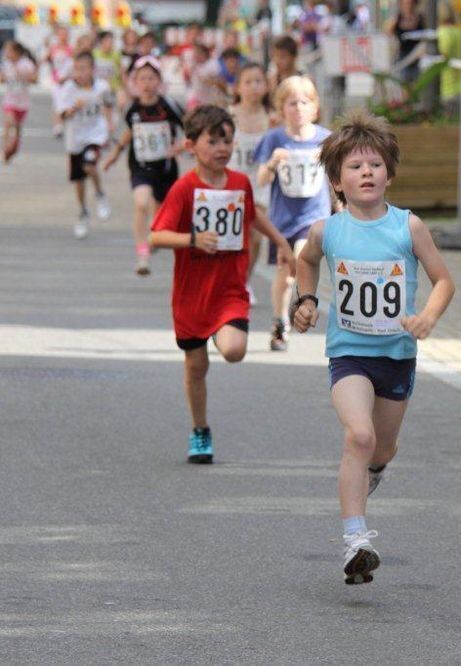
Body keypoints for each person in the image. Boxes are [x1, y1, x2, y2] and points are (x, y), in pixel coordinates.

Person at [291, 110, 454, 585]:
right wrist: (304, 300)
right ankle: (355, 540)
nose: (367, 172)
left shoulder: (409, 227)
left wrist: (428, 315)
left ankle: (374, 470)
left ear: (390, 173)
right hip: (350, 355)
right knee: (358, 436)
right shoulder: (328, 230)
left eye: (376, 164)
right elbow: (307, 262)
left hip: (397, 356)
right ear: (337, 181)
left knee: (381, 446)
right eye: (356, 166)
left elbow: (443, 280)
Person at [149, 105, 294, 464]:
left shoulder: (240, 183)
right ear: (190, 146)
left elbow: (253, 214)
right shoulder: (184, 189)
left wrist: (281, 242)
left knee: (233, 350)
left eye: (227, 140)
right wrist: (192, 240)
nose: (222, 148)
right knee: (195, 367)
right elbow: (157, 236)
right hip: (192, 293)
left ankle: (221, 329)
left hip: (229, 288)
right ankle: (200, 430)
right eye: (212, 141)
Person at [254, 75, 332, 351]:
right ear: (280, 108)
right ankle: (279, 319)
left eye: (304, 102)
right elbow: (261, 179)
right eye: (291, 103)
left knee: (301, 255)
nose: (298, 108)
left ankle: (305, 300)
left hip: (314, 216)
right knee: (284, 275)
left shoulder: (325, 139)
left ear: (314, 107)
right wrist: (273, 162)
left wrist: (342, 205)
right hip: (283, 219)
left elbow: (337, 177)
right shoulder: (274, 139)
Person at [103, 56, 186, 276]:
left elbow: (191, 130)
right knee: (141, 203)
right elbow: (131, 132)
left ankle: (154, 239)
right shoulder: (132, 109)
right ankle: (142, 255)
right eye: (142, 79)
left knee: (160, 215)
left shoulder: (169, 105)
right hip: (140, 166)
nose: (147, 83)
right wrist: (114, 154)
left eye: (151, 78)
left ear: (159, 81)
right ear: (135, 82)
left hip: (165, 169)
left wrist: (178, 148)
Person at [55, 51, 114, 240]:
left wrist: (109, 127)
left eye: (83, 69)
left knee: (89, 164)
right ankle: (83, 212)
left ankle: (100, 194)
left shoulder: (101, 87)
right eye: (76, 69)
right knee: (78, 180)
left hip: (95, 134)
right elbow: (62, 115)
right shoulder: (69, 89)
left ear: (92, 70)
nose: (79, 73)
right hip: (75, 138)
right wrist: (73, 109)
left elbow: (108, 105)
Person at [229, 62, 273, 307]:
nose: (254, 87)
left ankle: (245, 281)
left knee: (256, 238)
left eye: (259, 81)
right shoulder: (229, 115)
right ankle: (233, 280)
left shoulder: (273, 118)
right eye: (248, 82)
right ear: (238, 87)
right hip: (234, 183)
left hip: (261, 185)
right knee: (236, 237)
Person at [1, 40, 37, 163]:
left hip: (23, 102)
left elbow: (34, 78)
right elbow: (2, 78)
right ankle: (5, 148)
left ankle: (14, 146)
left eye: (8, 51)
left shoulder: (25, 63)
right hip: (10, 100)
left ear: (16, 52)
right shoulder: (6, 64)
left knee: (17, 127)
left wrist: (23, 75)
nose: (6, 53)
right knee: (8, 123)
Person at [385, 0, 425, 84]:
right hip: (402, 56)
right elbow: (387, 33)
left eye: (410, 3)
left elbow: (425, 35)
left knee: (417, 83)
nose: (408, 6)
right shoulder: (397, 19)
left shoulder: (420, 18)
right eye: (405, 3)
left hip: (417, 57)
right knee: (404, 83)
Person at [46, 26, 74, 139]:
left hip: (67, 80)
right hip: (56, 80)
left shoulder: (71, 49)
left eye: (65, 34)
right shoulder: (53, 48)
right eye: (61, 34)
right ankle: (58, 125)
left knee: (66, 102)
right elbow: (48, 61)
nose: (63, 36)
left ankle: (63, 123)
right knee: (58, 102)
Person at [92, 30, 122, 97]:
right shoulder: (94, 54)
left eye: (112, 41)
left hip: (113, 88)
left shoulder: (116, 55)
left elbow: (121, 72)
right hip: (96, 88)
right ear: (101, 41)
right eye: (108, 41)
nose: (110, 43)